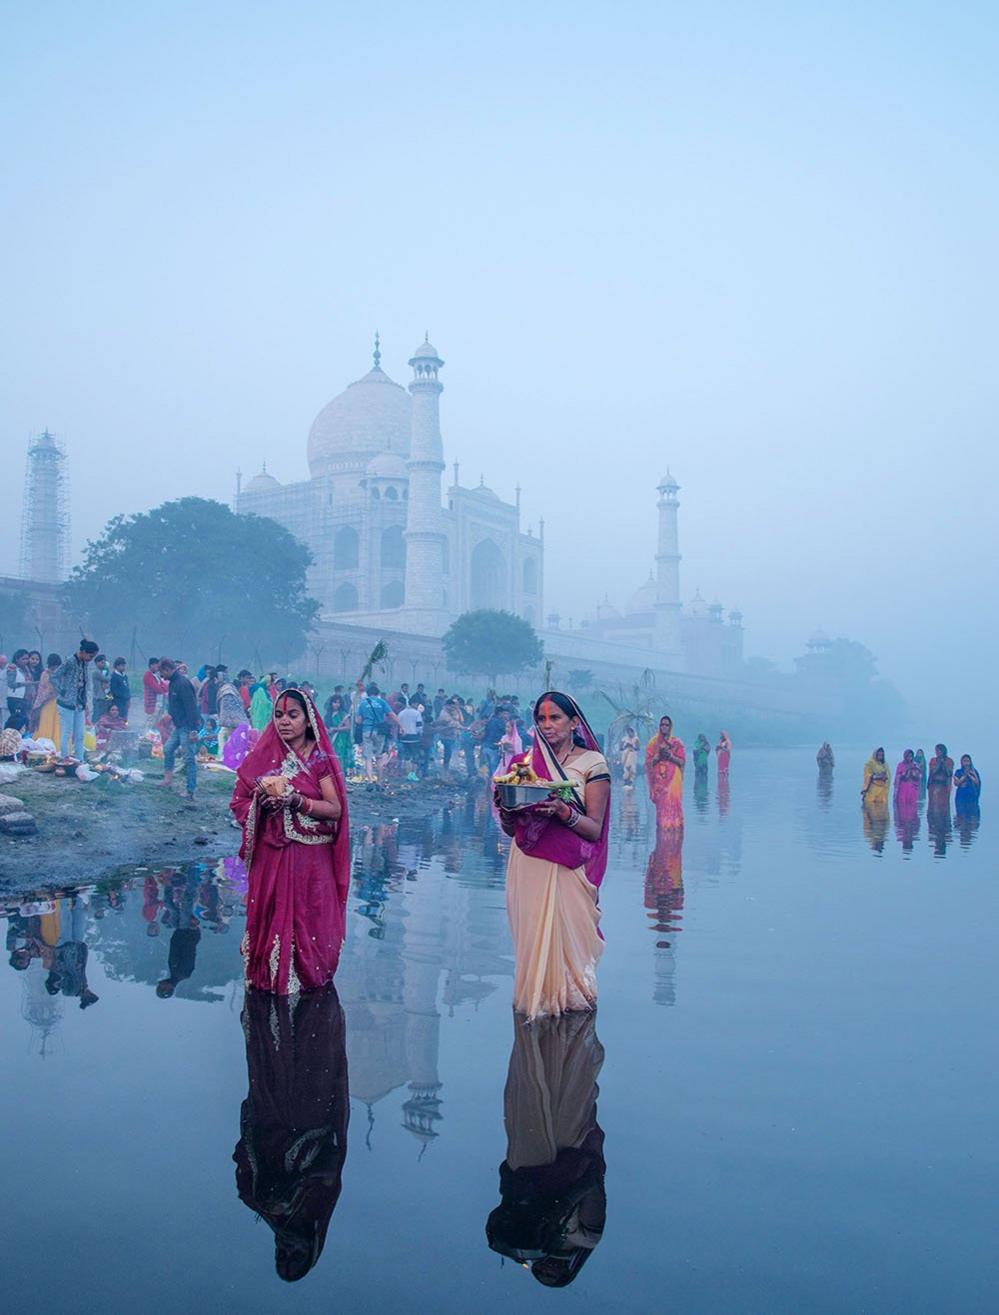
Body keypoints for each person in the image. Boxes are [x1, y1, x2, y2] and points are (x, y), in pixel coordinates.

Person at [496, 691, 611, 1021]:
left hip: (567, 869)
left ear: (574, 723)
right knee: (533, 942)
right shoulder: (522, 765)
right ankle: (534, 1009)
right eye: (541, 719)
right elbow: (510, 829)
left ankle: (570, 1019)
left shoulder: (592, 764)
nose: (547, 725)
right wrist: (506, 809)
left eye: (555, 718)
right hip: (527, 863)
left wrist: (563, 811)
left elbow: (593, 829)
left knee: (567, 950)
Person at [229, 688, 349, 994]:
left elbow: (334, 809)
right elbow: (240, 799)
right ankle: (269, 975)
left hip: (310, 857)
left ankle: (306, 975)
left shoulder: (319, 758)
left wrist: (296, 801)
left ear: (307, 720)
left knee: (308, 915)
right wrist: (262, 802)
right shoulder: (264, 755)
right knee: (272, 910)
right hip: (273, 851)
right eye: (279, 715)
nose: (285, 722)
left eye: (293, 715)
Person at [233, 983, 349, 1282]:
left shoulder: (264, 1209)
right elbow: (330, 1163)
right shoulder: (317, 1209)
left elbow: (242, 1169)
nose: (287, 1249)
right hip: (309, 1111)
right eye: (294, 1255)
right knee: (313, 1043)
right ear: (311, 1249)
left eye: (281, 1254)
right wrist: (297, 1182)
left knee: (272, 1049)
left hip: (270, 1118)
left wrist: (266, 1195)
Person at [486, 1011, 606, 1288]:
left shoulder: (526, 1240)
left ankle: (543, 1032)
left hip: (530, 1163)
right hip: (568, 1151)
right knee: (566, 1089)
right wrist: (559, 1208)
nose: (550, 1268)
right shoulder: (587, 1236)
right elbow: (592, 1182)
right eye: (555, 1274)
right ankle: (561, 1030)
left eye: (544, 1273)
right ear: (569, 1270)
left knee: (529, 1096)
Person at [158, 658, 201, 799]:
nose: (161, 676)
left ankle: (190, 790)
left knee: (189, 758)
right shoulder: (173, 683)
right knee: (168, 749)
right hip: (178, 725)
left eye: (162, 672)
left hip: (187, 726)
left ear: (167, 669)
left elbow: (191, 707)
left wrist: (194, 729)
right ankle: (168, 780)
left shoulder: (182, 683)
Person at [53, 640, 99, 758]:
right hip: (66, 704)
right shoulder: (70, 661)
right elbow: (54, 677)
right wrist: (62, 690)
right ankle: (64, 759)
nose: (91, 659)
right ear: (83, 652)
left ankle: (80, 760)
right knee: (67, 733)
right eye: (90, 656)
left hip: (80, 704)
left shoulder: (84, 663)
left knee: (80, 735)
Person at [646, 715, 685, 829]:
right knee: (662, 808)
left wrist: (671, 757)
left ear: (670, 727)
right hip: (659, 781)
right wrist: (658, 757)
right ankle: (663, 838)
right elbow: (648, 763)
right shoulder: (653, 743)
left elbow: (682, 762)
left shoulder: (677, 743)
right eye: (662, 725)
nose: (664, 727)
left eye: (667, 725)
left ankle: (675, 836)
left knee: (674, 803)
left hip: (673, 778)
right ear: (659, 726)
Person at [355, 682, 396, 782]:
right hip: (379, 732)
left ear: (368, 693)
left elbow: (358, 721)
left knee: (368, 758)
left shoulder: (363, 703)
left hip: (367, 731)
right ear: (377, 693)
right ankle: (379, 781)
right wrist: (401, 726)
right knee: (379, 757)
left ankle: (369, 781)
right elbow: (391, 715)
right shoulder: (381, 702)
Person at [30, 653, 63, 743]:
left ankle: (57, 746)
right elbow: (43, 690)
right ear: (50, 664)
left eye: (57, 666)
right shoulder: (45, 674)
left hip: (59, 703)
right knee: (46, 724)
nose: (55, 668)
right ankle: (44, 746)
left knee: (57, 725)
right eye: (53, 666)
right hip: (47, 703)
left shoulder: (61, 674)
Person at [396, 699, 424, 774]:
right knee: (415, 756)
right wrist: (420, 734)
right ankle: (413, 773)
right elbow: (419, 726)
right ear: (414, 703)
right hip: (414, 737)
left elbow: (398, 725)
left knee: (406, 756)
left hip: (403, 737)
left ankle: (407, 773)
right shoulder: (417, 713)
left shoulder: (401, 713)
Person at [5, 649, 30, 729]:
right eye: (23, 659)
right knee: (16, 721)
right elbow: (11, 684)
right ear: (17, 659)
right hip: (14, 699)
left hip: (22, 699)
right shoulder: (12, 668)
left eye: (27, 659)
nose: (26, 661)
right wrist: (24, 684)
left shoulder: (26, 669)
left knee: (22, 721)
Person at [927, 744, 954, 809]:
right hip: (934, 785)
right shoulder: (933, 760)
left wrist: (943, 764)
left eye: (938, 750)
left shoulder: (949, 761)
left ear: (943, 751)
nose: (937, 752)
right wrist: (939, 764)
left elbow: (949, 773)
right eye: (936, 751)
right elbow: (932, 772)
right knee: (933, 805)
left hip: (944, 786)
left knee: (944, 806)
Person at [142, 658, 167, 727]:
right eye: (156, 665)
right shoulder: (148, 675)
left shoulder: (156, 675)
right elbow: (157, 688)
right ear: (151, 665)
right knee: (150, 722)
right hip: (151, 702)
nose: (158, 668)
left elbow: (164, 687)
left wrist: (161, 687)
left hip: (158, 702)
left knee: (158, 721)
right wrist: (162, 688)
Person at [108, 658, 131, 723]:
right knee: (118, 715)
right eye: (122, 665)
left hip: (125, 700)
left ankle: (124, 725)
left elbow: (127, 688)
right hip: (117, 700)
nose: (124, 667)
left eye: (124, 665)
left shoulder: (125, 676)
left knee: (125, 714)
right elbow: (114, 690)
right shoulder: (114, 676)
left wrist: (128, 698)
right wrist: (123, 696)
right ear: (117, 666)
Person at [91, 654, 112, 719]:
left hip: (107, 695)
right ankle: (94, 727)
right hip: (99, 697)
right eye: (102, 662)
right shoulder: (96, 672)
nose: (103, 664)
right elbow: (107, 679)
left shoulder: (105, 671)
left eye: (104, 662)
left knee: (106, 713)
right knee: (97, 714)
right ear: (96, 663)